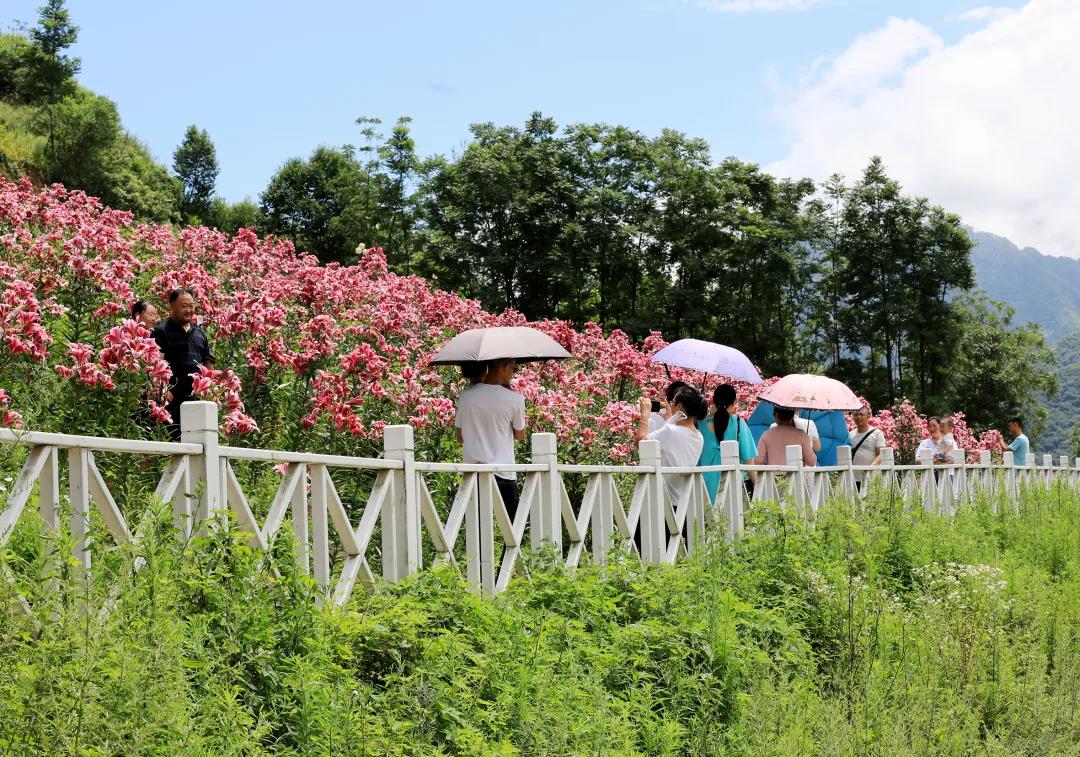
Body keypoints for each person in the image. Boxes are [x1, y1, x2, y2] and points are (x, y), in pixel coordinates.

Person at [455, 358, 527, 519]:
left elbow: (459, 437)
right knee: (513, 529)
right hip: (503, 473)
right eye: (513, 368)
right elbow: (520, 436)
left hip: (473, 472)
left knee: (476, 529)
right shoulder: (515, 399)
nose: (513, 374)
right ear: (504, 366)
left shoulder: (466, 396)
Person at [153, 288, 215, 440]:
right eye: (184, 306)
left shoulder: (200, 333)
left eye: (191, 306)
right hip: (172, 397)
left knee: (196, 438)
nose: (189, 310)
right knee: (173, 438)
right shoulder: (162, 330)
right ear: (172, 305)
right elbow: (157, 362)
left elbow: (208, 361)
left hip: (195, 397)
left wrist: (210, 388)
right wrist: (161, 389)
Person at [636, 386, 708, 508]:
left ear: (680, 406)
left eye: (672, 402)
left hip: (662, 501)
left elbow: (640, 443)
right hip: (682, 502)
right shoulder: (699, 436)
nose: (670, 405)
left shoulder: (670, 431)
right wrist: (670, 420)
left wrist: (644, 415)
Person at [697, 383, 757, 502]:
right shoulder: (738, 423)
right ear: (733, 402)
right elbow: (749, 462)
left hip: (703, 489)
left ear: (714, 401)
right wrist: (757, 488)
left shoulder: (699, 424)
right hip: (731, 489)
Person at [848, 406, 886, 490]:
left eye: (861, 415)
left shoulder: (877, 433)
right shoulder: (850, 435)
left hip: (871, 477)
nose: (858, 417)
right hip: (853, 478)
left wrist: (871, 467)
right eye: (856, 415)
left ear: (868, 416)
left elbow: (881, 454)